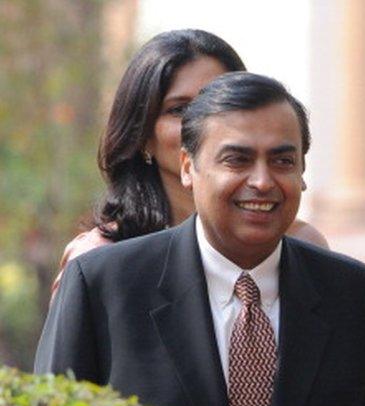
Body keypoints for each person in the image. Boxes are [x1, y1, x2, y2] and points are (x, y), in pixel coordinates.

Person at [35, 72, 365, 406]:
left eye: (283, 160)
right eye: (236, 158)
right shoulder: (105, 287)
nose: (262, 181)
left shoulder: (359, 298)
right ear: (189, 166)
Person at [52, 29, 327, 294]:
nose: (199, 123)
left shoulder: (302, 246)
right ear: (143, 134)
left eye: (216, 104)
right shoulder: (100, 263)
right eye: (180, 109)